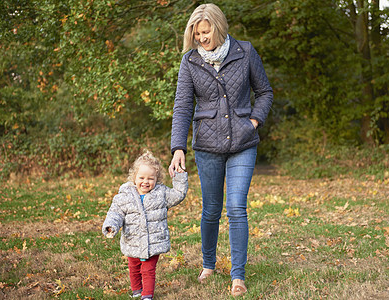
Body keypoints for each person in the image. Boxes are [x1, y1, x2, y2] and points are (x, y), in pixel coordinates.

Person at [169, 3, 273, 297]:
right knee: (212, 209)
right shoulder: (190, 62)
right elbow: (182, 106)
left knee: (237, 207)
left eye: (206, 31)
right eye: (197, 33)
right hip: (207, 145)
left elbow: (264, 91)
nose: (201, 38)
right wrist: (178, 148)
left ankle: (238, 276)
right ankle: (208, 263)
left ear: (219, 27)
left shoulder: (246, 52)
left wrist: (253, 121)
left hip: (243, 142)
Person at [103, 150, 188, 300]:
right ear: (134, 177)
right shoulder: (125, 195)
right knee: (134, 268)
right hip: (133, 241)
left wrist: (179, 176)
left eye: (150, 178)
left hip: (153, 241)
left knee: (148, 269)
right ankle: (136, 291)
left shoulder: (161, 193)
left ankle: (147, 295)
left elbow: (179, 194)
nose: (145, 182)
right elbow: (115, 213)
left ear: (157, 179)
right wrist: (111, 225)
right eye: (141, 177)